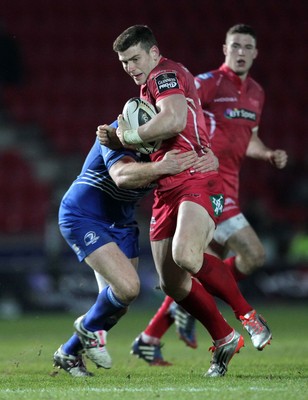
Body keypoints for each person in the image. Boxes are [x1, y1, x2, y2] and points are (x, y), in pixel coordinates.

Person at [111, 24, 272, 377]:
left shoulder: (163, 74)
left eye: (135, 58)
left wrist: (127, 135)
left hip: (195, 178)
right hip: (166, 185)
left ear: (153, 53)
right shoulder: (151, 84)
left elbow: (175, 119)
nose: (130, 66)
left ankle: (248, 316)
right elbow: (195, 119)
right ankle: (225, 338)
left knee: (187, 254)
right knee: (173, 283)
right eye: (124, 62)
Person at [53, 118, 212, 377]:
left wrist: (211, 160)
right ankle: (87, 326)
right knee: (127, 288)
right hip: (84, 215)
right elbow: (122, 176)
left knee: (120, 303)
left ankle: (69, 353)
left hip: (123, 223)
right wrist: (163, 167)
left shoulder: (173, 141)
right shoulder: (117, 132)